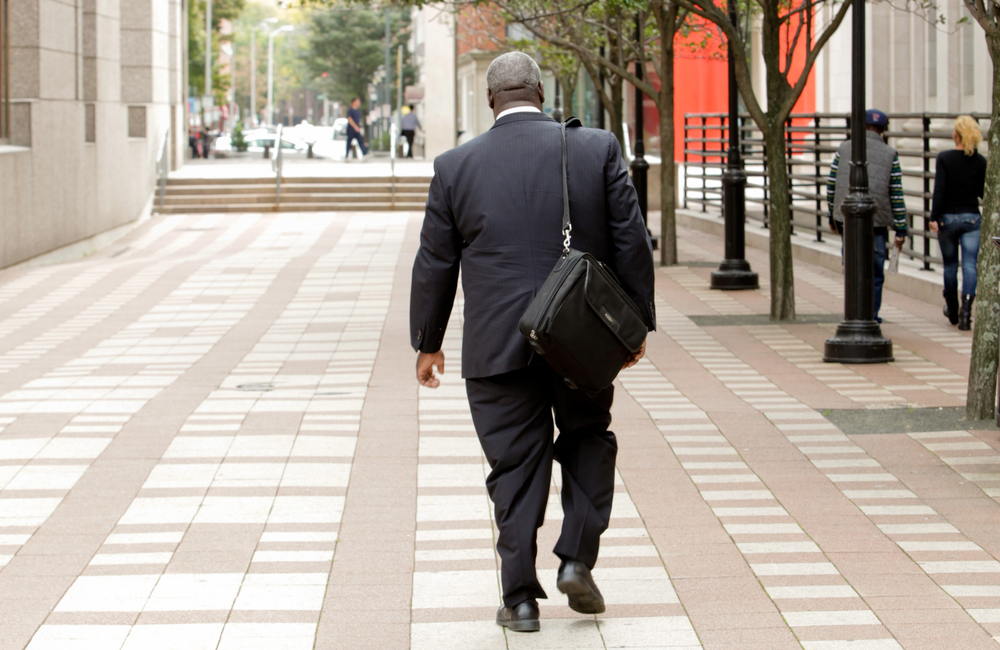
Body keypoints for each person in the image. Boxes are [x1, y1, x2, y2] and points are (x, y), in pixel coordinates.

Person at [410, 52, 656, 633]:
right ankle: (575, 558)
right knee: (589, 437)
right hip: (582, 341)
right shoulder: (595, 149)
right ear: (541, 93)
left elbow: (435, 264)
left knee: (514, 466)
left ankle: (520, 599)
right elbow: (632, 241)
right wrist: (637, 324)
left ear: (491, 100)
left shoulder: (455, 166)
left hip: (496, 345)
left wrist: (429, 341)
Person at [827, 109, 908, 323]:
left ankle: (853, 313)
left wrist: (832, 215)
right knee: (875, 270)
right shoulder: (891, 154)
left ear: (861, 127)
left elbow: (831, 184)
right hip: (877, 221)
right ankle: (871, 315)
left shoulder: (843, 149)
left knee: (852, 265)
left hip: (848, 218)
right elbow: (896, 193)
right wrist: (901, 228)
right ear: (883, 130)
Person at [929, 116, 987, 330]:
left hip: (948, 219)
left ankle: (952, 309)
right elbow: (983, 193)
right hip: (971, 217)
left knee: (950, 265)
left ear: (956, 134)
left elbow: (940, 190)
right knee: (970, 265)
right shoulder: (980, 161)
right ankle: (966, 313)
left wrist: (933, 217)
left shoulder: (944, 158)